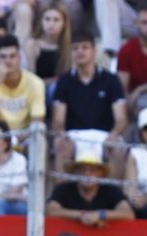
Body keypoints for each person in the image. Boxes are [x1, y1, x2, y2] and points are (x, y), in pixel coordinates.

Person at [51, 35, 130, 169]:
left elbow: (121, 118)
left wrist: (114, 134)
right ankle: (62, 189)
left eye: (85, 48)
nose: (80, 52)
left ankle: (115, 190)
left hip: (104, 135)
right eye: (75, 48)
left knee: (118, 147)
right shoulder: (64, 81)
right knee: (61, 145)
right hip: (74, 135)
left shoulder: (111, 80)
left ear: (94, 51)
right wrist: (62, 135)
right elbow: (58, 120)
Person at [47, 144, 136, 224]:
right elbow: (51, 210)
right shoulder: (63, 189)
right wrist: (82, 215)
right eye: (82, 169)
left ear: (100, 173)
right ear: (76, 172)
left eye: (92, 170)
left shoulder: (110, 189)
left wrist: (100, 215)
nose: (87, 174)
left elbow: (128, 214)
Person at [0, 34, 48, 133]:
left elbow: (37, 121)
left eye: (12, 56)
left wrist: (17, 138)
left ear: (19, 58)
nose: (8, 61)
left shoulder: (35, 82)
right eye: (3, 57)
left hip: (25, 135)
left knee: (39, 129)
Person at [31, 1, 71, 83]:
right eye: (47, 19)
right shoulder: (33, 45)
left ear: (64, 23)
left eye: (56, 20)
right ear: (41, 21)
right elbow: (30, 79)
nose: (51, 24)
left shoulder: (69, 47)